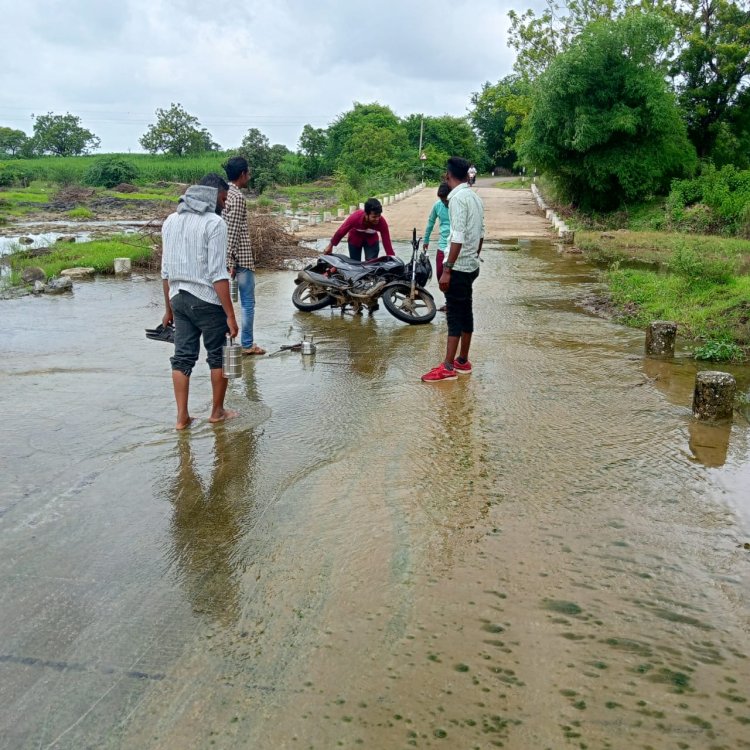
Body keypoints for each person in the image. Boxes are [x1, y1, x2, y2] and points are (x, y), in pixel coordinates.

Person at [161, 174, 239, 429]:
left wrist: (167, 309)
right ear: (213, 195)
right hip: (206, 300)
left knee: (182, 358)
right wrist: (230, 314)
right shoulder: (214, 223)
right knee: (218, 357)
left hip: (178, 299)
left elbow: (165, 272)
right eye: (224, 199)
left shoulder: (170, 221)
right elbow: (218, 274)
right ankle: (217, 412)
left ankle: (181, 418)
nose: (225, 205)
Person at [421, 157, 485, 383]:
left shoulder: (456, 199)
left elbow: (457, 236)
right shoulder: (475, 198)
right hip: (471, 266)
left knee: (454, 317)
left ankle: (448, 367)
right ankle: (463, 361)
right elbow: (481, 234)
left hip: (457, 267)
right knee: (466, 311)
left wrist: (447, 268)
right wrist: (473, 257)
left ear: (448, 175)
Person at [223, 156, 265, 355]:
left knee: (225, 302)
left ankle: (226, 341)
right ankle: (247, 344)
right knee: (248, 302)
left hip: (229, 257)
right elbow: (232, 230)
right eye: (248, 172)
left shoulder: (225, 194)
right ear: (242, 174)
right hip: (241, 257)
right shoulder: (237, 197)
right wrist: (230, 260)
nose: (249, 176)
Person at [322, 198, 395, 260]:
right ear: (366, 214)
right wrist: (330, 246)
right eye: (374, 217)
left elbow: (387, 241)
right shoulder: (355, 217)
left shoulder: (381, 222)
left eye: (379, 216)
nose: (377, 219)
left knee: (371, 264)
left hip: (371, 240)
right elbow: (341, 232)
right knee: (355, 263)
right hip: (355, 239)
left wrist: (392, 258)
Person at [423, 182, 451, 312]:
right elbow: (430, 223)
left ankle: (453, 303)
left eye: (446, 199)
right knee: (441, 274)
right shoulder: (437, 206)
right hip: (442, 244)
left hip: (455, 245)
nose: (444, 202)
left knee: (455, 276)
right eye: (442, 199)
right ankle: (448, 301)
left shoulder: (457, 205)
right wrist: (426, 240)